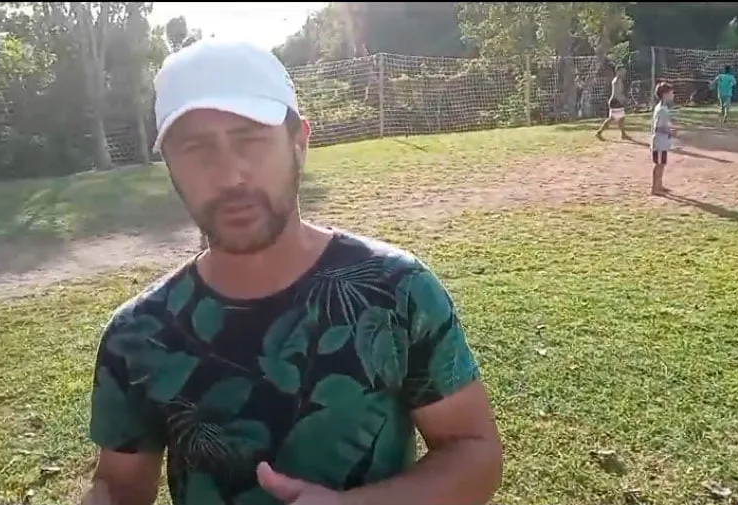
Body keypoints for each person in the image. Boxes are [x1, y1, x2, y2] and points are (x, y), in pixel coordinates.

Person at [82, 39, 503, 505]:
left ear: (299, 143)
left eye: (250, 140)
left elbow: (473, 451)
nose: (229, 175)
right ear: (170, 166)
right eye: (196, 149)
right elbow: (120, 485)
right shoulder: (139, 333)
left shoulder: (396, 291)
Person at [651, 81, 676, 195]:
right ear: (665, 95)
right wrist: (670, 131)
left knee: (662, 164)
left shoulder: (663, 108)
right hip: (659, 142)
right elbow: (658, 127)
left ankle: (659, 185)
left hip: (663, 141)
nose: (673, 95)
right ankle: (655, 188)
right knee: (659, 165)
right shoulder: (662, 109)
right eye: (671, 93)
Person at [596, 66, 631, 141]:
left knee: (621, 118)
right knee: (612, 118)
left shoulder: (618, 80)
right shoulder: (617, 81)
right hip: (616, 101)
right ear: (618, 71)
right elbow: (617, 93)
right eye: (622, 71)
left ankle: (623, 134)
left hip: (616, 101)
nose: (624, 72)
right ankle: (599, 132)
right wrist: (623, 100)